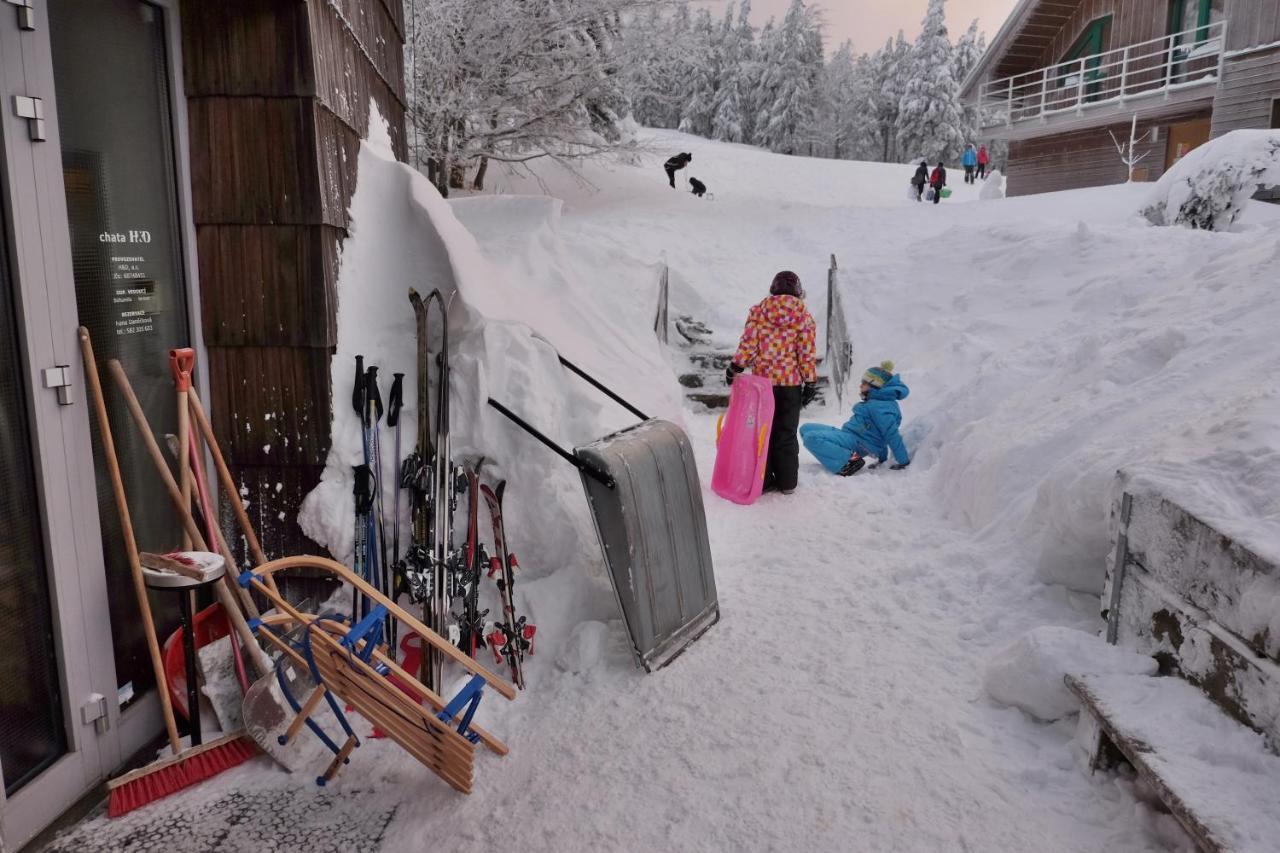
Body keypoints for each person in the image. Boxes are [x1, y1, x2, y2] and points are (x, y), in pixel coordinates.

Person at [726, 271, 818, 495]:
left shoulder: (759, 311)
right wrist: (810, 381)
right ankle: (787, 483)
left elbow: (748, 344)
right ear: (798, 291)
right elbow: (806, 352)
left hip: (762, 386)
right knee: (786, 433)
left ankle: (763, 480)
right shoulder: (803, 315)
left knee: (761, 432)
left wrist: (736, 367)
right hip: (791, 385)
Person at [800, 362, 910, 476]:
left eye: (864, 383)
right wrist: (882, 460)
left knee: (811, 437)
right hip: (849, 436)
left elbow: (890, 434)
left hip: (858, 443)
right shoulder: (875, 402)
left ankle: (849, 463)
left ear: (875, 386)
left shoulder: (880, 407)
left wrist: (903, 461)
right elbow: (878, 432)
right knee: (805, 428)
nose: (860, 385)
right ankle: (838, 457)